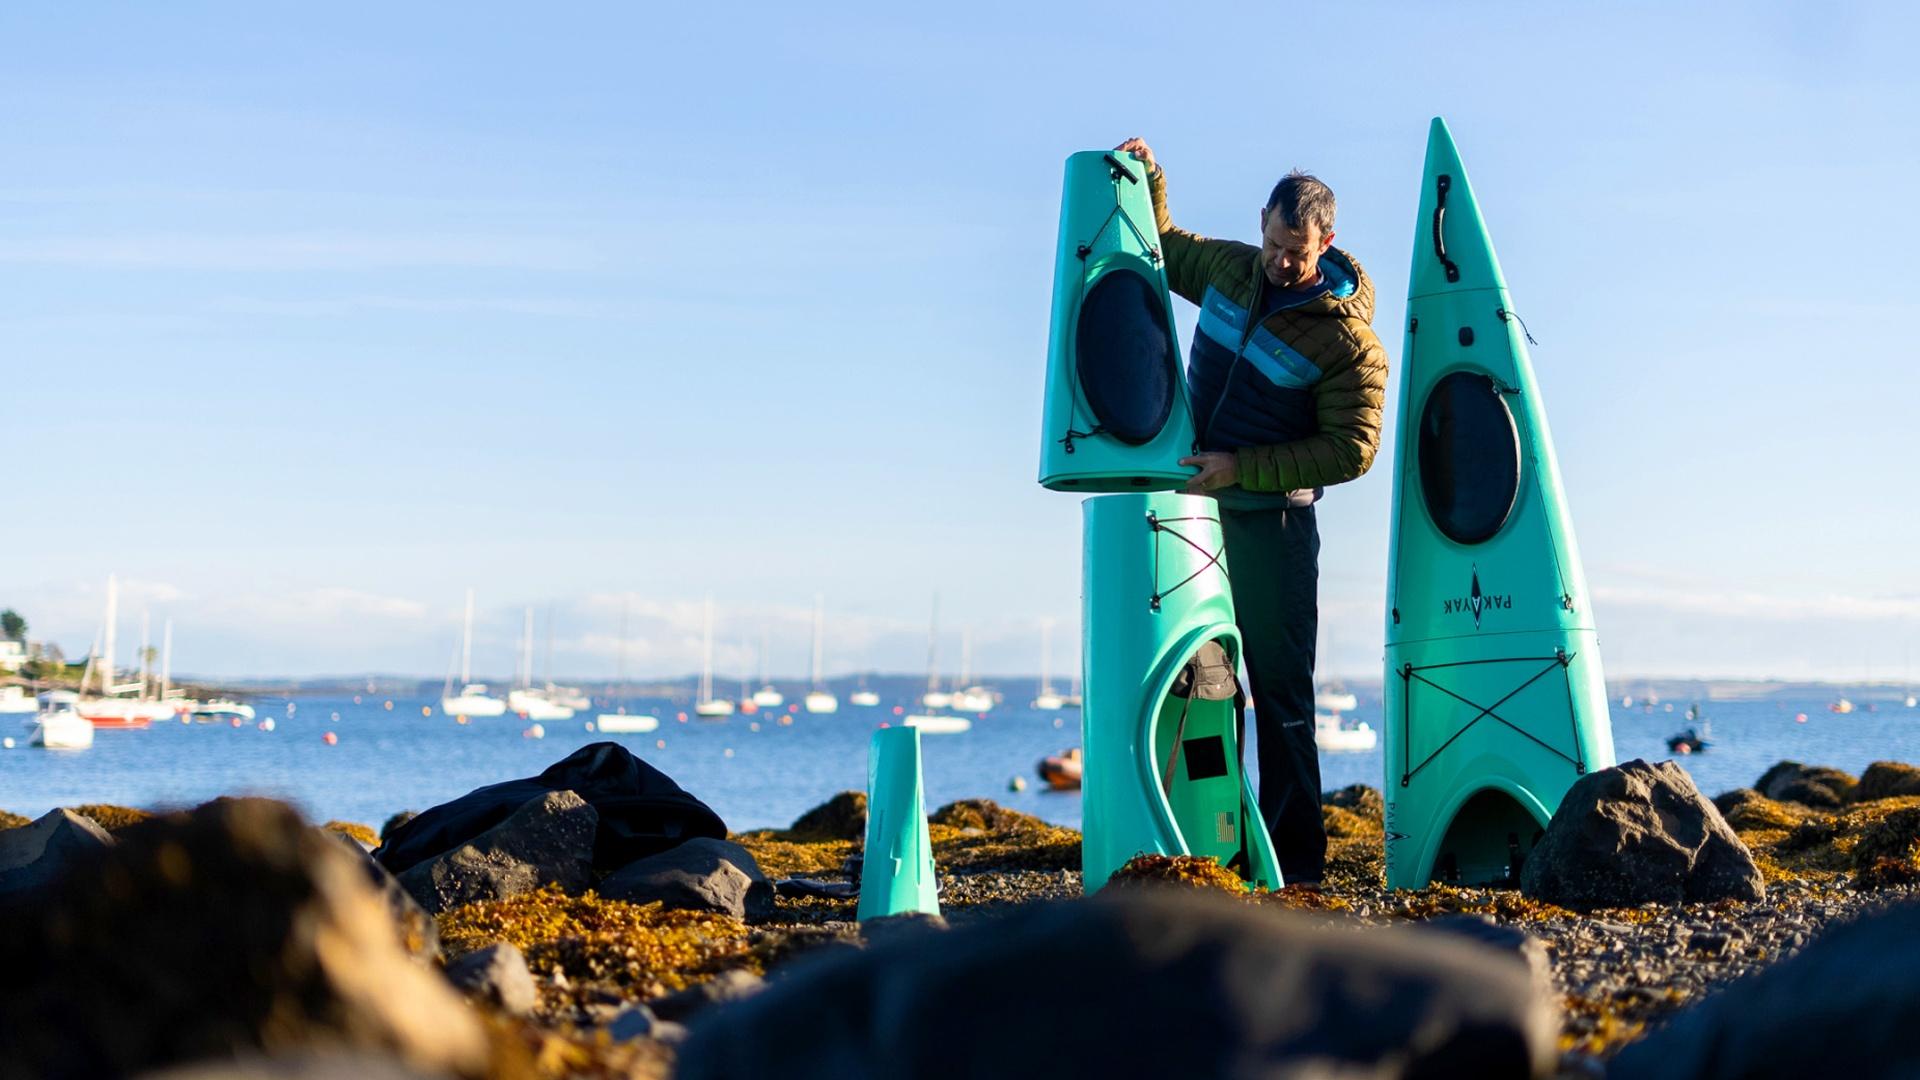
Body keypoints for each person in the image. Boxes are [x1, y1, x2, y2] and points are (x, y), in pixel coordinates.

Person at [1116, 137, 1388, 886]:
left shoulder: (1347, 341)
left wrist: (1243, 468)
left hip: (1275, 527)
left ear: (1325, 243)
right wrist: (1150, 174)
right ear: (1262, 222)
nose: (1283, 262)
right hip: (1199, 521)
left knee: (1281, 697)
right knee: (1205, 683)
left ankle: (1299, 867)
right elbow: (1164, 247)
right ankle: (1219, 849)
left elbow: (1352, 450)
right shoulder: (1233, 270)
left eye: (1298, 252)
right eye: (1275, 243)